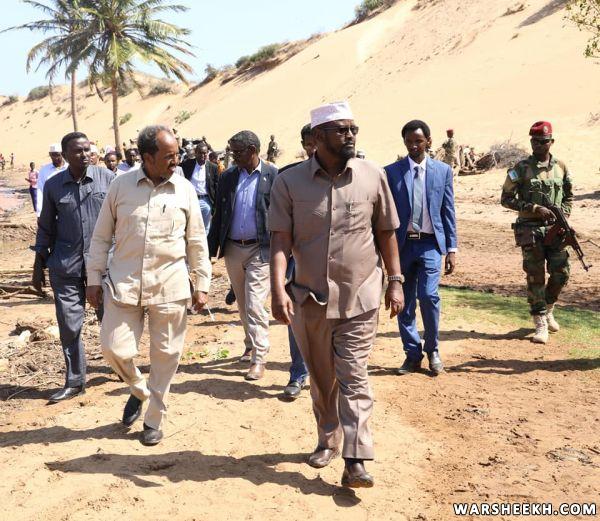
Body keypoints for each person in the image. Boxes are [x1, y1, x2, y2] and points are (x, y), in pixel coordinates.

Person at [269, 101, 404, 488]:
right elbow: (280, 241)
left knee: (354, 376)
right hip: (309, 298)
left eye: (353, 129)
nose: (350, 135)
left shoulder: (372, 175)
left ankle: (356, 459)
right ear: (317, 137)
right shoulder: (289, 182)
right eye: (341, 130)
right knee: (322, 378)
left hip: (360, 295)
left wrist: (395, 280)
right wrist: (277, 290)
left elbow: (385, 231)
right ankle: (327, 438)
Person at [86, 125, 211, 446]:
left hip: (170, 286)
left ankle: (154, 419)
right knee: (113, 348)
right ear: (147, 157)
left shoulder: (184, 189)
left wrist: (202, 282)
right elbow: (101, 237)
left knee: (166, 356)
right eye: (169, 156)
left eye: (177, 154)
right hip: (124, 284)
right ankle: (139, 390)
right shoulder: (120, 186)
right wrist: (93, 278)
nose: (176, 160)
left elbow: (197, 241)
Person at [33, 132, 115, 403]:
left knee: (111, 321)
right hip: (66, 266)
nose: (84, 154)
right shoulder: (54, 186)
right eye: (78, 151)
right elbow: (46, 227)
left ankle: (120, 366)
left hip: (103, 266)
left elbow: (123, 220)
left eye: (87, 149)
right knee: (69, 326)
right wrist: (38, 264)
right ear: (65, 155)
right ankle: (75, 381)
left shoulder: (108, 179)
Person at [385, 120, 457, 376]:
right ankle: (412, 354)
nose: (413, 146)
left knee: (428, 295)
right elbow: (385, 214)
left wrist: (452, 248)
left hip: (429, 243)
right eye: (409, 141)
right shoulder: (391, 172)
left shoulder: (442, 171)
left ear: (428, 141)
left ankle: (433, 350)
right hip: (402, 246)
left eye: (418, 141)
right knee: (402, 302)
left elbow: (448, 211)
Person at [208, 131, 277, 381]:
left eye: (237, 152)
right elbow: (219, 213)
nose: (233, 156)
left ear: (252, 150)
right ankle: (250, 342)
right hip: (233, 248)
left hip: (261, 249)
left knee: (255, 303)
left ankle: (259, 357)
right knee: (242, 300)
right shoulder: (228, 176)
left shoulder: (273, 175)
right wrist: (210, 248)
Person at [500, 121, 573, 344]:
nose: (538, 145)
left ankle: (548, 307)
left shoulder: (561, 167)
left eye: (542, 141)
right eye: (534, 141)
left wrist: (563, 216)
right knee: (535, 276)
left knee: (562, 273)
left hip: (556, 230)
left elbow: (569, 195)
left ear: (551, 142)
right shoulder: (521, 168)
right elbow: (506, 199)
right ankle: (539, 320)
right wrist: (533, 208)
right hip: (530, 229)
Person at [275, 123, 317, 400]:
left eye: (318, 143)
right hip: (297, 260)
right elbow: (279, 226)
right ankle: (298, 374)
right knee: (296, 318)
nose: (314, 149)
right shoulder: (287, 176)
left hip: (334, 263)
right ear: (304, 145)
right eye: (310, 143)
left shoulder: (348, 175)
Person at [182, 142, 219, 232]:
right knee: (190, 226)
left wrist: (215, 205)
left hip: (206, 201)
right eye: (200, 153)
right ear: (196, 153)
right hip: (191, 200)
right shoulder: (187, 165)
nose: (203, 155)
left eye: (205, 153)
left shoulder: (213, 167)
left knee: (205, 228)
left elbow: (216, 186)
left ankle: (204, 241)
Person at [36, 144, 68, 217]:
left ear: (62, 154)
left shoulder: (69, 168)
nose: (56, 158)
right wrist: (39, 213)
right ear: (50, 155)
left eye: (58, 155)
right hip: (50, 208)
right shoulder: (44, 170)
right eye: (53, 155)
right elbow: (40, 190)